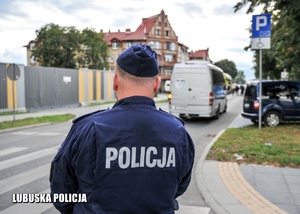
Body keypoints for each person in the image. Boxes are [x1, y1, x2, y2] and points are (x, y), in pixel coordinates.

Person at [49, 43, 195, 214]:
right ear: (156, 84)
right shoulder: (178, 132)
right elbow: (179, 186)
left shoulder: (87, 128)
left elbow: (61, 192)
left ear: (115, 81)